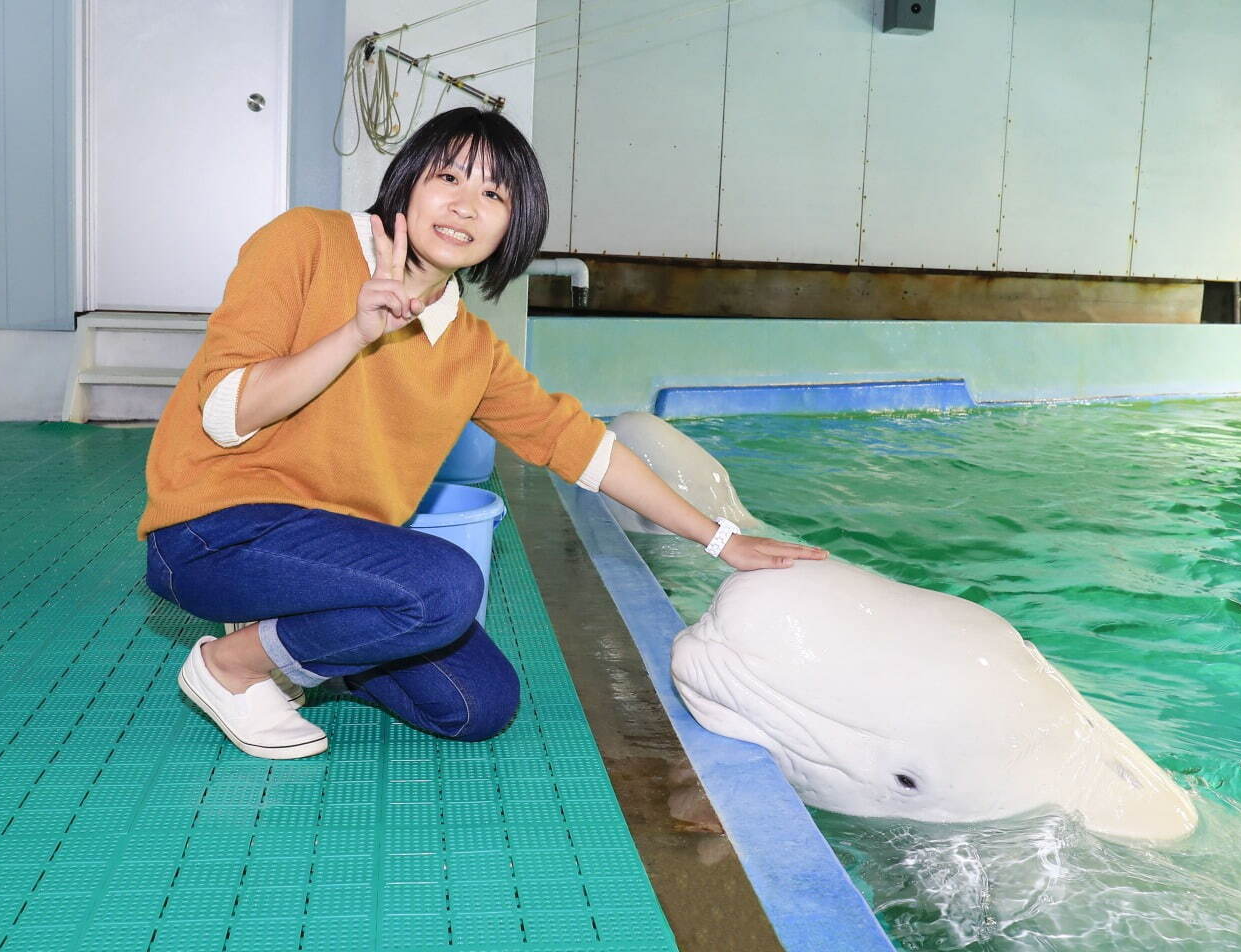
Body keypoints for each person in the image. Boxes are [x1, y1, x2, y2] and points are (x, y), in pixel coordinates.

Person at [139, 107, 824, 760]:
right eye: (448, 177)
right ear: (407, 181)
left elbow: (582, 447)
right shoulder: (307, 241)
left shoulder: (471, 350)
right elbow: (226, 413)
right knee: (446, 584)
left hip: (330, 564)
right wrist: (355, 333)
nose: (467, 205)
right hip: (212, 533)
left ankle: (292, 643)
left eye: (494, 195)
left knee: (478, 704)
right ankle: (230, 664)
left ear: (511, 229)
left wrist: (722, 539)